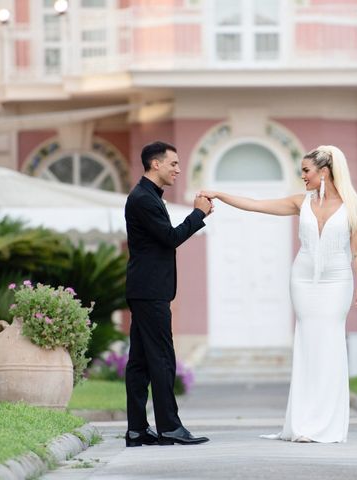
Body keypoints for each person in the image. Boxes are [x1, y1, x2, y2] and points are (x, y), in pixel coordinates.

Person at [201, 145, 357, 443]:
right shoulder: (298, 202)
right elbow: (255, 204)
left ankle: (327, 425)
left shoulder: (352, 205)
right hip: (303, 281)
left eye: (306, 171)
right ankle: (303, 423)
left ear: (324, 172)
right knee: (307, 344)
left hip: (337, 282)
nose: (302, 176)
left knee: (330, 344)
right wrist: (221, 195)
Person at [125, 141, 212, 446]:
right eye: (173, 163)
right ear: (156, 164)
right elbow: (170, 238)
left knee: (139, 362)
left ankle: (136, 430)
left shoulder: (147, 197)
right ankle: (170, 427)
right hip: (150, 292)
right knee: (162, 358)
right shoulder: (143, 199)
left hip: (146, 290)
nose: (178, 169)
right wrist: (198, 215)